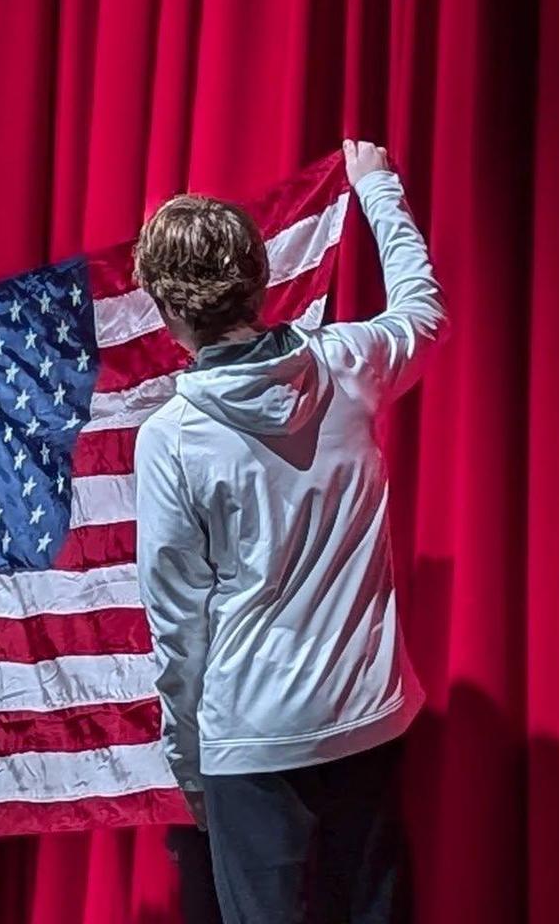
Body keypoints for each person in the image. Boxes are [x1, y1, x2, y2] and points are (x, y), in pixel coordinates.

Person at [130, 139, 444, 923]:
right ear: (260, 282)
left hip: (255, 744)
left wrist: (188, 766)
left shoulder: (172, 435)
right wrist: (378, 189)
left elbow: (178, 625)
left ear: (168, 314)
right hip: (367, 720)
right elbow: (421, 309)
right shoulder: (349, 363)